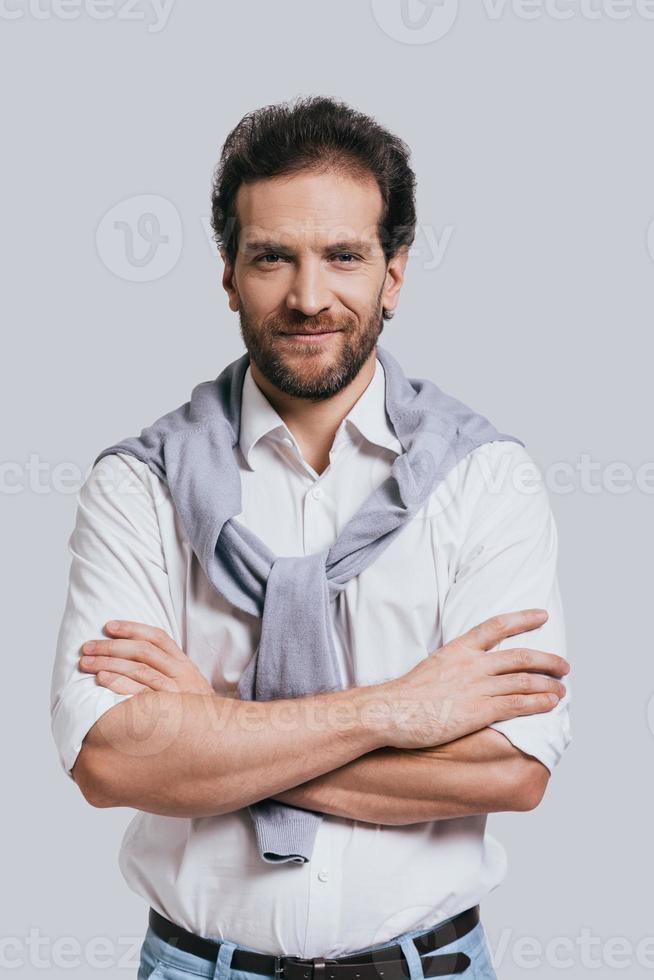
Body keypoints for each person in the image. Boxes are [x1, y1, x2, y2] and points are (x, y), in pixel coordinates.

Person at [49, 95, 572, 980]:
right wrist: (397, 711)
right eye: (272, 258)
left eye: (343, 256)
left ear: (394, 273)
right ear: (228, 274)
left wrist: (214, 737)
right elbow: (110, 760)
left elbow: (509, 771)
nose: (308, 296)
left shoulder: (489, 479)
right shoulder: (136, 486)